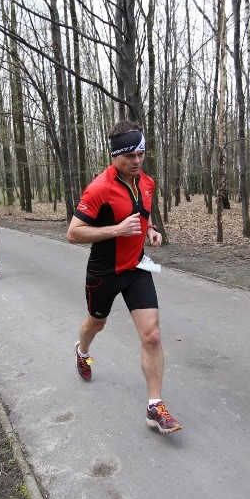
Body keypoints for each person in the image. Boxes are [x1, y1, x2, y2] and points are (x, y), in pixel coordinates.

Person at [66, 120, 181, 434]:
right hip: (104, 273)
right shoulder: (99, 188)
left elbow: (142, 216)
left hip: (136, 269)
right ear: (115, 155)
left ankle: (154, 407)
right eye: (129, 154)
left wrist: (151, 230)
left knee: (152, 336)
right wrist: (116, 230)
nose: (137, 160)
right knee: (96, 324)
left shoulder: (146, 182)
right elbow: (73, 233)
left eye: (141, 153)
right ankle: (82, 351)